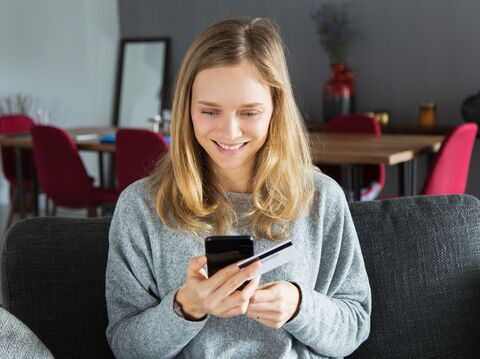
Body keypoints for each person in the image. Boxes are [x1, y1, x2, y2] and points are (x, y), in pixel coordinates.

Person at [106, 17, 371, 358]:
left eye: (249, 112)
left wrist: (299, 306)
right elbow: (125, 346)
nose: (230, 132)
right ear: (186, 110)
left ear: (275, 111)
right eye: (210, 111)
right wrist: (187, 307)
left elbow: (355, 325)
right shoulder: (142, 206)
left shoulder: (320, 198)